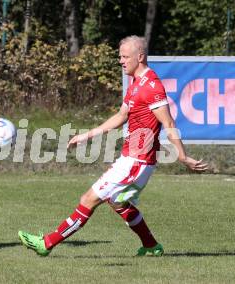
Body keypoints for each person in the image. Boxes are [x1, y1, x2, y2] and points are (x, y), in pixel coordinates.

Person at [18, 35, 208, 257]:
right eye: (120, 56)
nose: (121, 61)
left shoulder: (152, 86)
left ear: (140, 57)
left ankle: (46, 243)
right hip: (131, 159)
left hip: (137, 161)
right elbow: (121, 116)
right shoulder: (136, 84)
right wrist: (87, 135)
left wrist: (182, 156)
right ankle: (150, 246)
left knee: (88, 199)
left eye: (125, 57)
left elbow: (168, 122)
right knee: (118, 203)